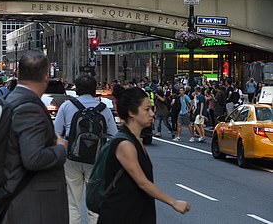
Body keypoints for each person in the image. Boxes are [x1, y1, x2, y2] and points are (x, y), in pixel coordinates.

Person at [97, 85, 190, 224]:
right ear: (131, 112)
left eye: (151, 109)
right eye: (146, 109)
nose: (152, 113)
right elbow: (143, 183)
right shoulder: (125, 145)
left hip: (134, 213)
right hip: (121, 215)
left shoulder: (136, 141)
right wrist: (173, 202)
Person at [0, 50, 69, 223]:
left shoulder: (11, 99)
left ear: (18, 74)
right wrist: (61, 148)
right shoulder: (28, 108)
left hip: (18, 197)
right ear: (46, 77)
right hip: (32, 204)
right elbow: (34, 158)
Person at [54, 74, 117, 224]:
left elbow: (56, 132)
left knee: (73, 202)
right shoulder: (104, 109)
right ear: (95, 90)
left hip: (71, 158)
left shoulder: (66, 106)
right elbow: (114, 135)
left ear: (76, 90)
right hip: (96, 160)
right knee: (95, 203)